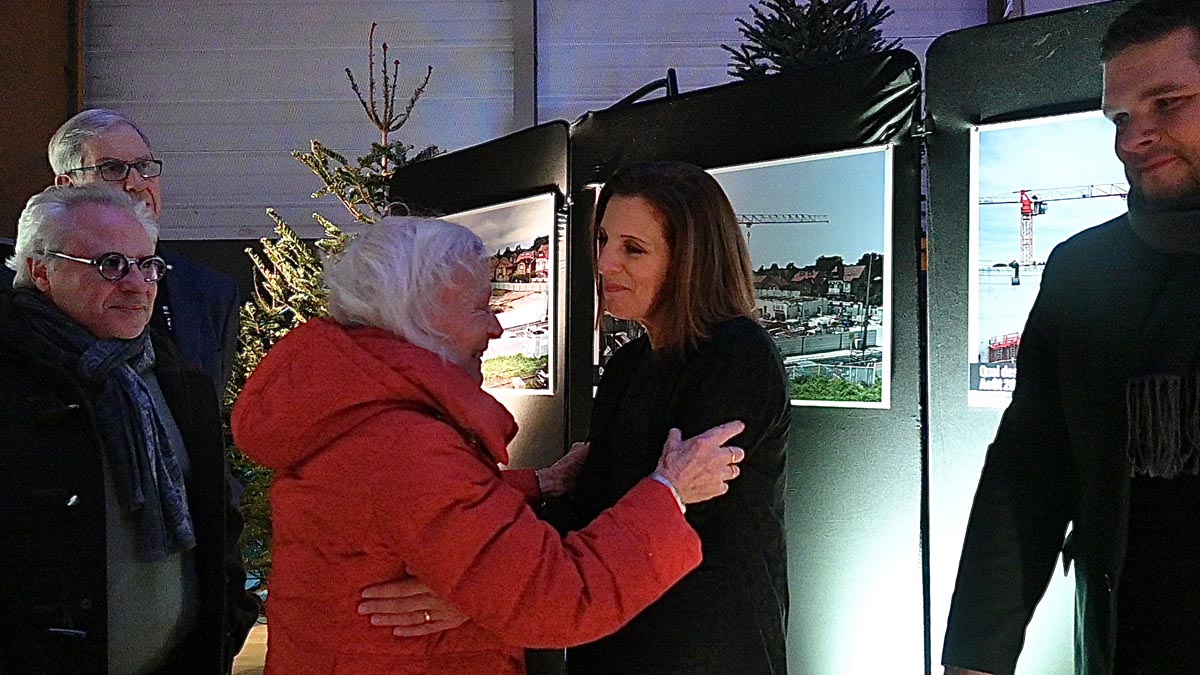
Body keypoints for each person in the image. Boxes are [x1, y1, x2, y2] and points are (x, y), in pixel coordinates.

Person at [230, 215, 748, 675]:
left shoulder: (360, 407)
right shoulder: (406, 444)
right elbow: (555, 597)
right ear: (425, 315)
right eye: (480, 307)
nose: (497, 327)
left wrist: (537, 484)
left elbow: (402, 510)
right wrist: (669, 492)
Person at [943, 2, 1200, 674]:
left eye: (1168, 102)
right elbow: (1028, 468)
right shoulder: (1084, 269)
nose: (1133, 138)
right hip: (1123, 646)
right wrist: (975, 655)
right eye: (1119, 118)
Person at [0, 184, 259, 674]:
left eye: (148, 265)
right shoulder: (12, 382)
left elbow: (219, 521)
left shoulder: (178, 380)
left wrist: (229, 621)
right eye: (111, 265)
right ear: (41, 271)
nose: (138, 285)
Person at [552, 160, 791, 674]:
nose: (605, 263)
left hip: (701, 647)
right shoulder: (627, 365)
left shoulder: (737, 355)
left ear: (690, 260)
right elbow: (598, 504)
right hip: (617, 634)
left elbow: (679, 518)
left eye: (633, 249)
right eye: (603, 241)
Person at [44, 109, 239, 396]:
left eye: (144, 166)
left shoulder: (210, 294)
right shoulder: (26, 290)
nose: (135, 183)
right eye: (112, 169)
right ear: (67, 186)